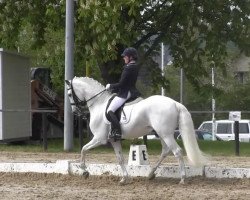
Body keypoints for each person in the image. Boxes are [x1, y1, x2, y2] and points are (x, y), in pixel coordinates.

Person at [106, 47, 140, 140]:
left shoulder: (128, 68)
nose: (124, 58)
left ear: (131, 57)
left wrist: (110, 86)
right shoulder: (135, 67)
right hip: (132, 91)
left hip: (125, 92)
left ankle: (117, 132)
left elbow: (121, 84)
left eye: (125, 56)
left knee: (110, 111)